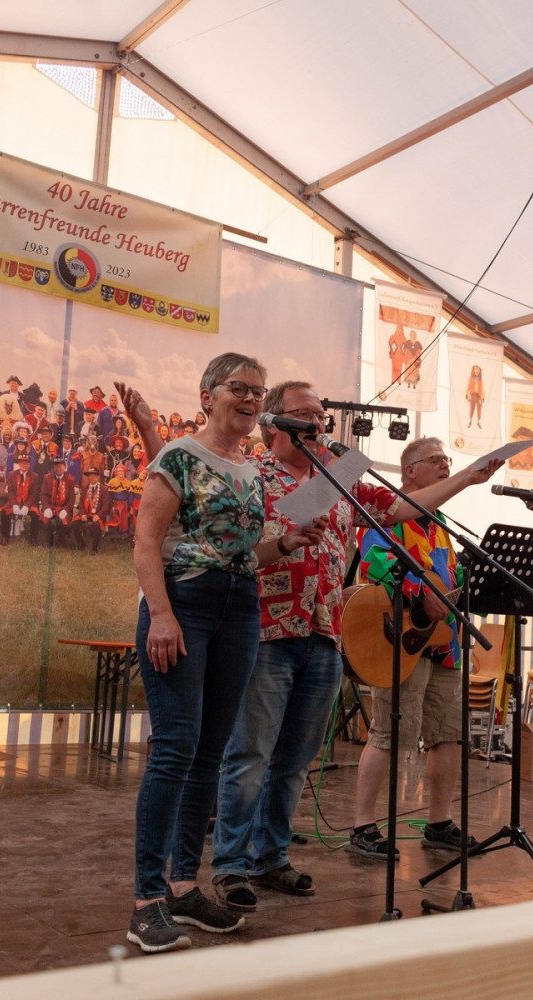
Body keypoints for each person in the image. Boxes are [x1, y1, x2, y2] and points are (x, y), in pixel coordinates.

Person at [124, 378, 502, 914]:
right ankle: (230, 865)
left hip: (325, 632)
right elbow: (186, 487)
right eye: (306, 414)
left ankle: (271, 856)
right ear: (276, 422)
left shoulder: (338, 478)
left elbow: (401, 509)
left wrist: (466, 477)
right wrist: (147, 430)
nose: (319, 423)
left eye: (322, 415)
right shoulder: (250, 470)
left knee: (296, 760)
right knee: (249, 755)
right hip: (262, 630)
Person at [116, 356, 323, 955]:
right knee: (175, 750)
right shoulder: (178, 455)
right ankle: (146, 901)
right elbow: (147, 541)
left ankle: (184, 885)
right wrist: (161, 615)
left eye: (259, 391)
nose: (252, 399)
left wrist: (285, 543)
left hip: (241, 608)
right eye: (240, 388)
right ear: (207, 395)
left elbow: (240, 555)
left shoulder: (250, 471)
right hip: (185, 604)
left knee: (210, 754)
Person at [347, 436, 476, 859]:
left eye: (447, 459)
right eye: (435, 459)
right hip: (399, 640)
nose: (444, 465)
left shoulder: (441, 524)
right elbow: (375, 561)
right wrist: (420, 591)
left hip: (443, 642)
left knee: (449, 735)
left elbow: (449, 577)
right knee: (390, 733)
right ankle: (363, 825)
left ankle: (439, 822)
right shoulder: (388, 513)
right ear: (410, 470)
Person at [0, 452, 40, 546]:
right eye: (22, 462)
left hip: (28, 503)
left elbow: (34, 494)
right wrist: (14, 504)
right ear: (18, 463)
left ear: (29, 464)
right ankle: (5, 536)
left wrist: (26, 506)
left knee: (36, 515)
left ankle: (33, 538)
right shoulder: (12, 474)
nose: (24, 465)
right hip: (14, 502)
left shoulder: (34, 476)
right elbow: (10, 491)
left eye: (26, 463)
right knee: (4, 512)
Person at [465, 365, 485, 429]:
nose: (476, 371)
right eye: (475, 370)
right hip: (472, 395)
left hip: (479, 396)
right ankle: (470, 421)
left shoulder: (481, 380)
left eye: (478, 370)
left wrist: (483, 396)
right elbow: (468, 386)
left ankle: (478, 422)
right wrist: (466, 393)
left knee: (479, 408)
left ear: (479, 371)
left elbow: (482, 389)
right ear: (473, 371)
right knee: (472, 408)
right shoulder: (471, 378)